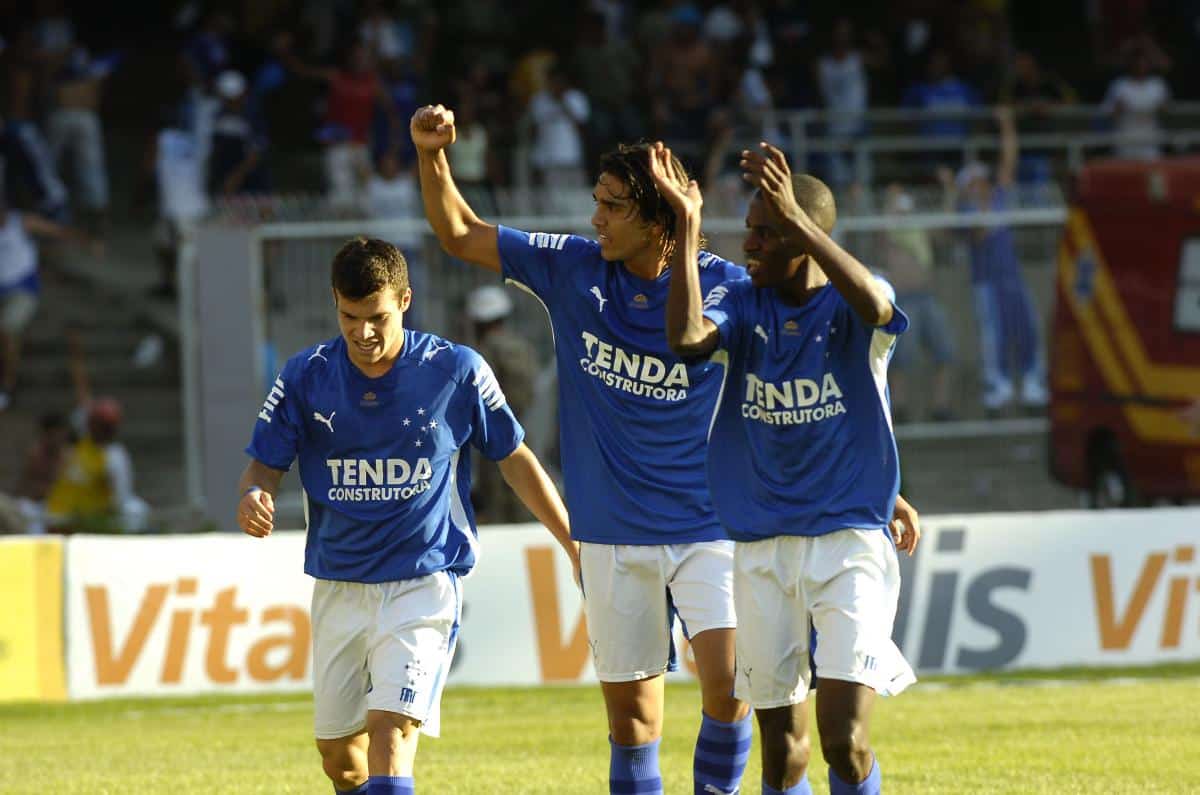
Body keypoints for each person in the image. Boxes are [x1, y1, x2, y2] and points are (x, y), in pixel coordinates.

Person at [413, 104, 753, 795]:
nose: (595, 218)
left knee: (731, 687)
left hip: (708, 525)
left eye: (613, 206)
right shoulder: (572, 267)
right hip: (610, 530)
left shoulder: (729, 288)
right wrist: (430, 154)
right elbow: (458, 233)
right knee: (633, 722)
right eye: (596, 201)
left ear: (658, 220)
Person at [237, 237, 577, 795]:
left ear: (405, 300)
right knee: (341, 760)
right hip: (340, 583)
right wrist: (255, 494)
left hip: (424, 582)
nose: (363, 333)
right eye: (350, 317)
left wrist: (571, 542)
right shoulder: (305, 376)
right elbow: (262, 466)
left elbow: (514, 457)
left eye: (377, 317)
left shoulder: (456, 370)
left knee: (389, 737)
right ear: (335, 303)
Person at [661, 140, 920, 795]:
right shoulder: (743, 304)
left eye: (764, 232)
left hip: (848, 543)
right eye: (748, 229)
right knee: (782, 752)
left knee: (845, 741)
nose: (748, 245)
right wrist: (687, 225)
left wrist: (800, 221)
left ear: (803, 238)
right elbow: (687, 340)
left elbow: (878, 307)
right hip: (762, 547)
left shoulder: (855, 305)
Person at [940, 106, 1047, 413]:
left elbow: (1009, 162)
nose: (982, 184)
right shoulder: (966, 211)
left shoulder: (999, 198)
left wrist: (1007, 125)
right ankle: (997, 387)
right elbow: (977, 234)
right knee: (993, 336)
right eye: (974, 182)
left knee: (1027, 328)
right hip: (986, 283)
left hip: (1012, 277)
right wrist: (953, 191)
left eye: (982, 179)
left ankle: (1032, 384)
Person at [466, 285, 539, 524]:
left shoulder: (482, 352)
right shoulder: (522, 346)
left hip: (492, 437)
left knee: (497, 510)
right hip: (523, 434)